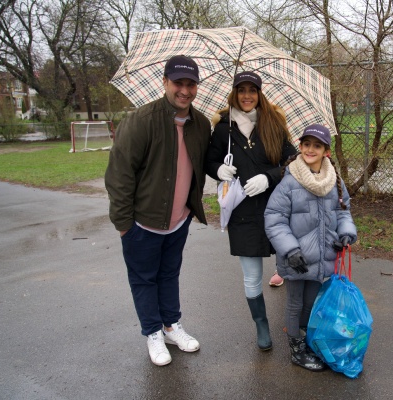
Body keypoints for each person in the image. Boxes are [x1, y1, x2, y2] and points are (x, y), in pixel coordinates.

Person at [105, 55, 211, 366]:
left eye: (191, 84)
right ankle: (152, 331)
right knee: (144, 279)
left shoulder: (201, 124)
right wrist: (124, 224)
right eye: (179, 83)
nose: (185, 90)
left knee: (169, 274)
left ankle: (171, 326)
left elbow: (204, 164)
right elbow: (119, 176)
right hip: (142, 223)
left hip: (178, 220)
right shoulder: (140, 122)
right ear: (164, 82)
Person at [206, 71, 297, 351]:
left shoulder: (274, 125)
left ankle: (297, 321)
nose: (247, 95)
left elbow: (292, 162)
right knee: (251, 275)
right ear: (234, 93)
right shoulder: (223, 128)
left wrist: (269, 177)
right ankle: (261, 325)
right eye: (241, 90)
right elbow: (208, 160)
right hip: (242, 213)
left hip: (276, 211)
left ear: (260, 94)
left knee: (293, 267)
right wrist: (218, 169)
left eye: (252, 90)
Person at [264, 124, 358, 371]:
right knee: (295, 304)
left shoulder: (333, 180)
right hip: (297, 258)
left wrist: (345, 233)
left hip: (324, 256)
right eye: (306, 144)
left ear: (326, 150)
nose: (310, 149)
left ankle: (306, 342)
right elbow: (274, 219)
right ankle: (296, 352)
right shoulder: (289, 182)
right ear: (300, 147)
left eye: (317, 145)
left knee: (311, 303)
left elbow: (343, 211)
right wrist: (290, 250)